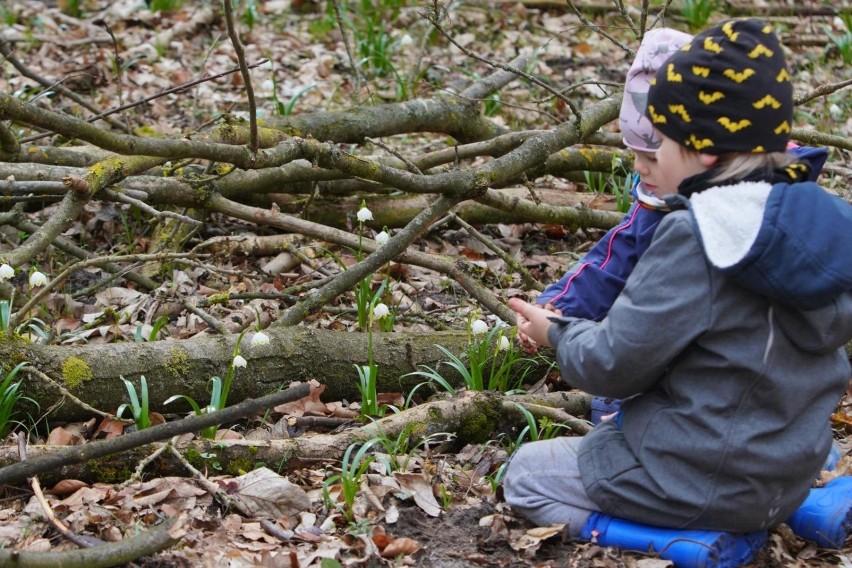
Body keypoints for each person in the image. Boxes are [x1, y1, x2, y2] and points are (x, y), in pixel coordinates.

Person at [504, 18, 852, 567]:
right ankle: (804, 507)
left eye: (661, 142)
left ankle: (683, 544)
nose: (651, 160)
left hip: (700, 477)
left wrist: (557, 332)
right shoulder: (822, 226)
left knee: (525, 475)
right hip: (788, 468)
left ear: (704, 151)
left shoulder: (697, 234)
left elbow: (614, 365)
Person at [527, 28, 828, 425]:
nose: (640, 167)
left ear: (706, 150)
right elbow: (614, 259)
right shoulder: (661, 201)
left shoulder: (767, 218)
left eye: (654, 154)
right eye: (633, 153)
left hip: (727, 392)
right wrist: (558, 306)